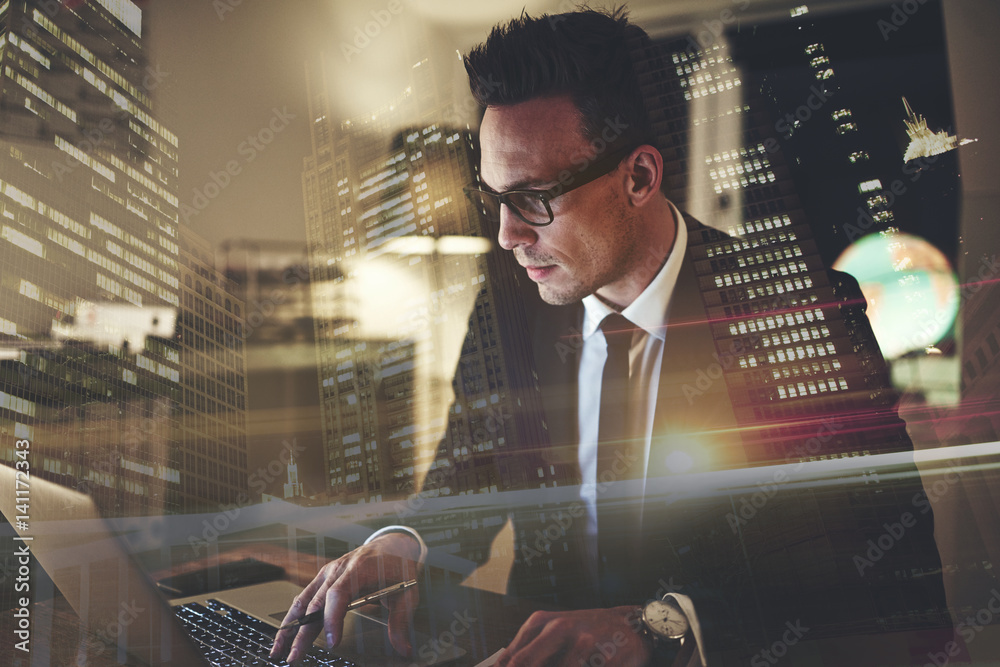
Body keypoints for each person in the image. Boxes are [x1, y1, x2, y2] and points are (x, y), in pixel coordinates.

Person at [272, 7, 950, 666]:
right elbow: (462, 480)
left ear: (640, 177)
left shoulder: (798, 317)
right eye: (495, 199)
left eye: (534, 198)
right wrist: (402, 539)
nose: (508, 236)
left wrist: (660, 626)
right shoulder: (511, 306)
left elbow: (884, 584)